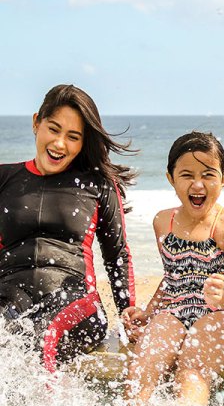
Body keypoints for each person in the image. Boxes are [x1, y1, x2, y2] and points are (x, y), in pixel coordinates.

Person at [122, 131, 224, 406]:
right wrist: (148, 310)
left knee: (191, 370)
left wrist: (222, 297)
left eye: (208, 175)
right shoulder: (162, 222)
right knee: (143, 365)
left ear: (223, 179)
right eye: (186, 175)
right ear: (170, 178)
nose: (197, 184)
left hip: (220, 316)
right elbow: (172, 277)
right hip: (173, 311)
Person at [0, 84, 136, 372]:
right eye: (54, 129)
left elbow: (117, 256)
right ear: (37, 122)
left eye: (72, 137)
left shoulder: (96, 186)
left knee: (42, 338)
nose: (60, 144)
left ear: (82, 143)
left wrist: (127, 313)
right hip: (10, 297)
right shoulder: (4, 178)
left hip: (75, 302)